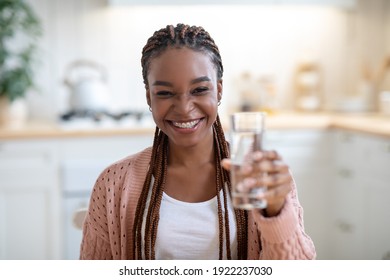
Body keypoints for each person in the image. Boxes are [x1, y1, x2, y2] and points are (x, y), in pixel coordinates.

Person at [80, 23, 316, 260]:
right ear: (149, 97)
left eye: (200, 89)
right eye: (164, 93)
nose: (184, 108)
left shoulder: (261, 177)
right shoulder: (113, 183)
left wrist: (276, 213)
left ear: (219, 91)